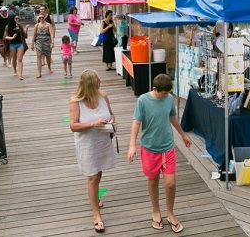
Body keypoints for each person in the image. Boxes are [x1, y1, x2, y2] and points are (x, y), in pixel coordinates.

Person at [127, 74, 192, 233]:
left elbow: (172, 117)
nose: (167, 96)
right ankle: (156, 211)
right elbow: (136, 122)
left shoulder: (169, 99)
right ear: (154, 89)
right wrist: (132, 146)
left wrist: (183, 135)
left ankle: (170, 212)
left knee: (170, 183)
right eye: (164, 93)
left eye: (168, 93)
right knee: (153, 180)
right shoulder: (143, 100)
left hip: (168, 147)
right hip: (149, 148)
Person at [69, 69, 117, 233]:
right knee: (92, 176)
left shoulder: (103, 96)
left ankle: (95, 197)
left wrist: (111, 120)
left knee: (99, 171)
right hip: (87, 144)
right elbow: (73, 126)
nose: (100, 81)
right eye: (97, 80)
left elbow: (111, 115)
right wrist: (93, 124)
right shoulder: (76, 102)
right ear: (90, 85)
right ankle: (96, 215)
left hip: (102, 141)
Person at [5, 15, 28, 80]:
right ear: (13, 19)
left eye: (18, 18)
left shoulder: (20, 25)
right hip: (12, 44)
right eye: (16, 18)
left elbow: (25, 35)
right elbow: (5, 37)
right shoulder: (8, 27)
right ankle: (15, 70)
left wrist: (26, 29)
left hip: (20, 44)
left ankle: (20, 75)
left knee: (20, 59)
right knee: (14, 59)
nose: (18, 19)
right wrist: (12, 37)